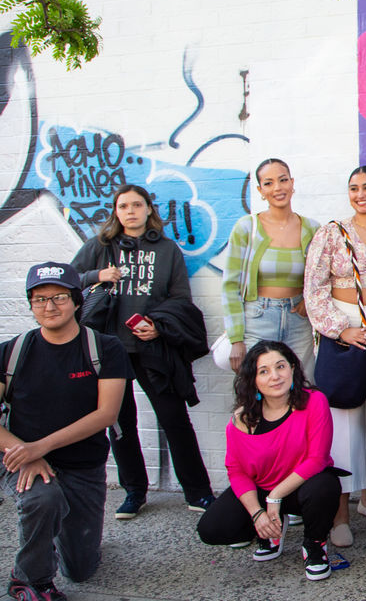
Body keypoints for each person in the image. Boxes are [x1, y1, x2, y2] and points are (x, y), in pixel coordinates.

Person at [71, 183, 215, 520]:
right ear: (116, 212)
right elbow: (68, 279)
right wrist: (97, 274)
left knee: (174, 419)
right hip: (110, 350)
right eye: (123, 206)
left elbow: (180, 298)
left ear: (149, 209)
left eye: (137, 205)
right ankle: (134, 491)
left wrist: (158, 326)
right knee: (120, 424)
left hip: (152, 347)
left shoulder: (166, 249)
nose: (130, 211)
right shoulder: (100, 246)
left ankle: (198, 492)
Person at [1, 262, 127, 601]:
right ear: (31, 304)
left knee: (81, 569)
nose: (49, 307)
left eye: (59, 297)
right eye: (39, 299)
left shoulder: (104, 348)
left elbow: (106, 414)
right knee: (43, 498)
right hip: (22, 459)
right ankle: (29, 579)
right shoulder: (12, 352)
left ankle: (55, 535)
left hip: (82, 464)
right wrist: (25, 453)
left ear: (76, 301)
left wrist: (39, 447)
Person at [303, 165, 366, 547]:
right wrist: (340, 328)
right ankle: (339, 513)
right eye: (354, 188)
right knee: (341, 422)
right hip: (343, 332)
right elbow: (314, 289)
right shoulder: (331, 233)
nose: (361, 194)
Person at [196, 341, 342, 582]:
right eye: (263, 371)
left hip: (300, 487)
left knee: (325, 485)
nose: (275, 376)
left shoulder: (314, 401)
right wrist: (257, 513)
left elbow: (317, 459)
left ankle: (314, 545)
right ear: (253, 379)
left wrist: (275, 497)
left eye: (280, 367)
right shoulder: (242, 418)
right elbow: (236, 471)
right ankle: (269, 530)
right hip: (262, 490)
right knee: (211, 529)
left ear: (292, 368)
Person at [222, 158, 321, 374]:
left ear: (292, 183)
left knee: (301, 382)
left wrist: (308, 301)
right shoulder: (246, 228)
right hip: (257, 320)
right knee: (258, 384)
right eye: (268, 183)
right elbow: (230, 286)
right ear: (260, 190)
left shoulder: (312, 228)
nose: (277, 188)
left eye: (283, 180)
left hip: (299, 322)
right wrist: (236, 338)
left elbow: (323, 276)